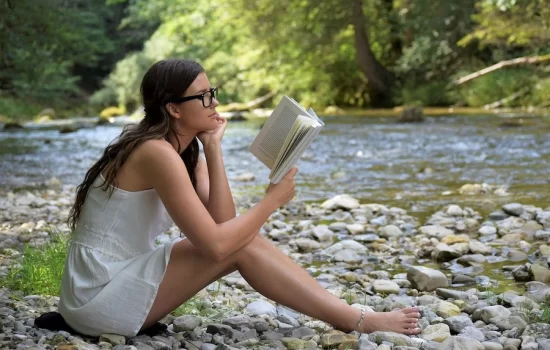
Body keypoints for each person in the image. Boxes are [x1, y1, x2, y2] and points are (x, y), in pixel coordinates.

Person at [58, 58, 421, 338]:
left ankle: (351, 315)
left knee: (243, 240)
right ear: (173, 108)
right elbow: (217, 246)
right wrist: (270, 202)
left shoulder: (183, 151)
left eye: (211, 92)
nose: (214, 102)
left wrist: (213, 149)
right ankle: (357, 320)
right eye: (203, 97)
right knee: (242, 244)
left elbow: (223, 224)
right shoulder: (155, 152)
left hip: (116, 280)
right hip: (97, 294)